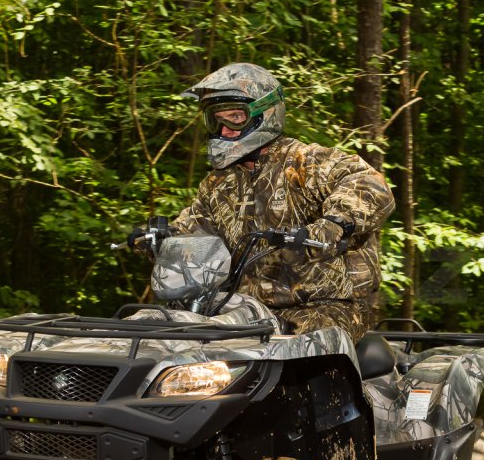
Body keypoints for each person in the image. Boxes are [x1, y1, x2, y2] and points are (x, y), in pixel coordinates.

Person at [155, 63, 395, 342]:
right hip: (242, 309)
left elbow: (369, 185)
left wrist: (333, 225)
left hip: (326, 309)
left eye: (235, 117)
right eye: (216, 120)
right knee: (171, 330)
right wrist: (162, 238)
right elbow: (194, 231)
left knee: (264, 339)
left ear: (264, 113)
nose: (225, 129)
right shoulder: (218, 184)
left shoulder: (309, 162)